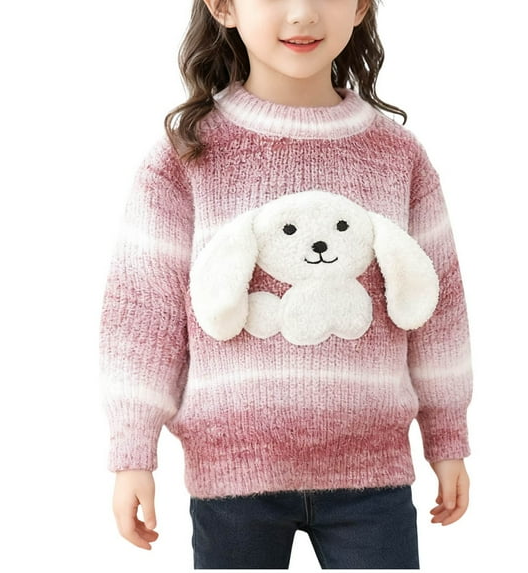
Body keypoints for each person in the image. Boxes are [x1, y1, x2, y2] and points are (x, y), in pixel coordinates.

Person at [100, 0, 473, 569]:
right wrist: (133, 452)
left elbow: (436, 307)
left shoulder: (398, 156)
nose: (302, 14)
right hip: (230, 482)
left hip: (373, 478)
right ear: (223, 6)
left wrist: (446, 438)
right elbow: (144, 313)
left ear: (361, 5)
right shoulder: (186, 155)